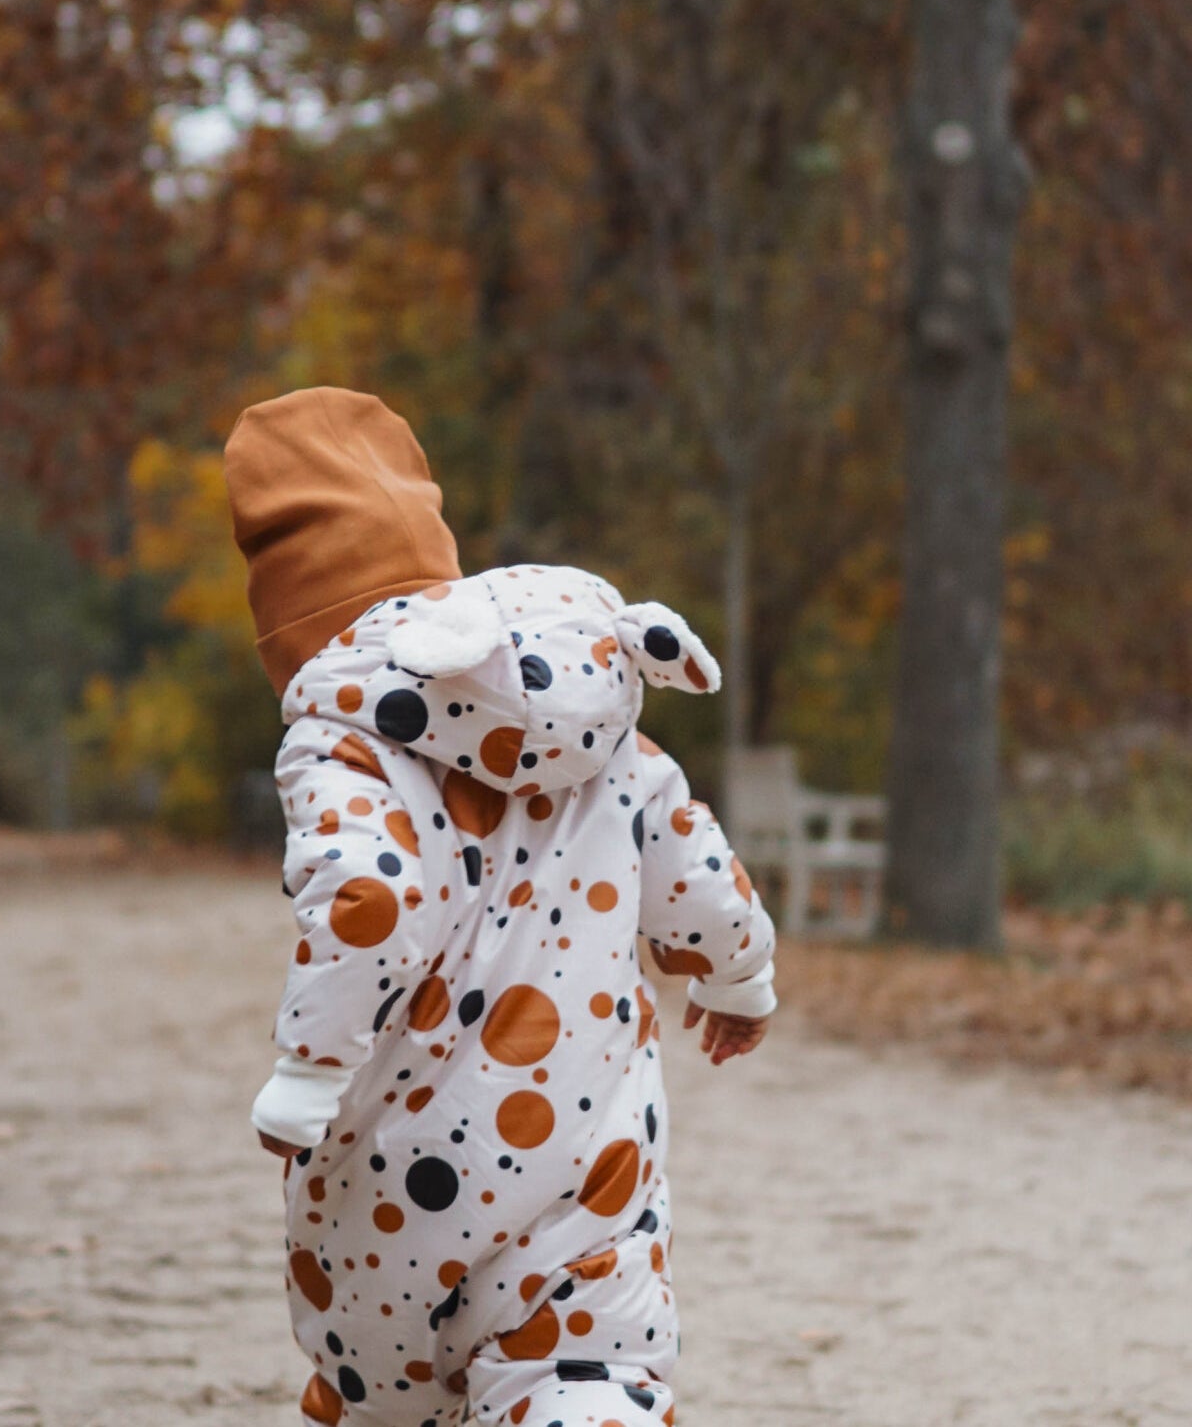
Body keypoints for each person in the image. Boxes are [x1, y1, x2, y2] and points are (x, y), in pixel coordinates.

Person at [224, 387, 777, 1427]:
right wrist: (736, 975)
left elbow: (372, 901)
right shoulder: (605, 719)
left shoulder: (342, 739)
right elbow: (694, 863)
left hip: (396, 1161)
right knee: (581, 1366)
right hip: (584, 1156)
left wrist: (308, 1067)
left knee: (392, 1392)